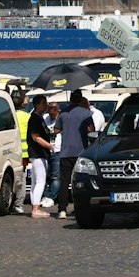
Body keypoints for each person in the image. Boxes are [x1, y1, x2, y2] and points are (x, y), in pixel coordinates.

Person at [56, 91, 98, 220]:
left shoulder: (63, 113)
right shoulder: (86, 114)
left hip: (65, 151)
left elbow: (56, 130)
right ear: (81, 100)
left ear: (70, 99)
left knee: (64, 181)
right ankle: (78, 206)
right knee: (79, 181)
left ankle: (62, 209)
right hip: (81, 152)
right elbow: (91, 130)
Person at [26, 95, 58, 218]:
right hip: (38, 153)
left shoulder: (39, 118)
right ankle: (36, 209)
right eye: (44, 103)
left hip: (39, 154)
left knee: (35, 181)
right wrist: (49, 146)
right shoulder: (34, 118)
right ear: (38, 104)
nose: (46, 106)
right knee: (40, 181)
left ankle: (35, 205)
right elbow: (36, 137)